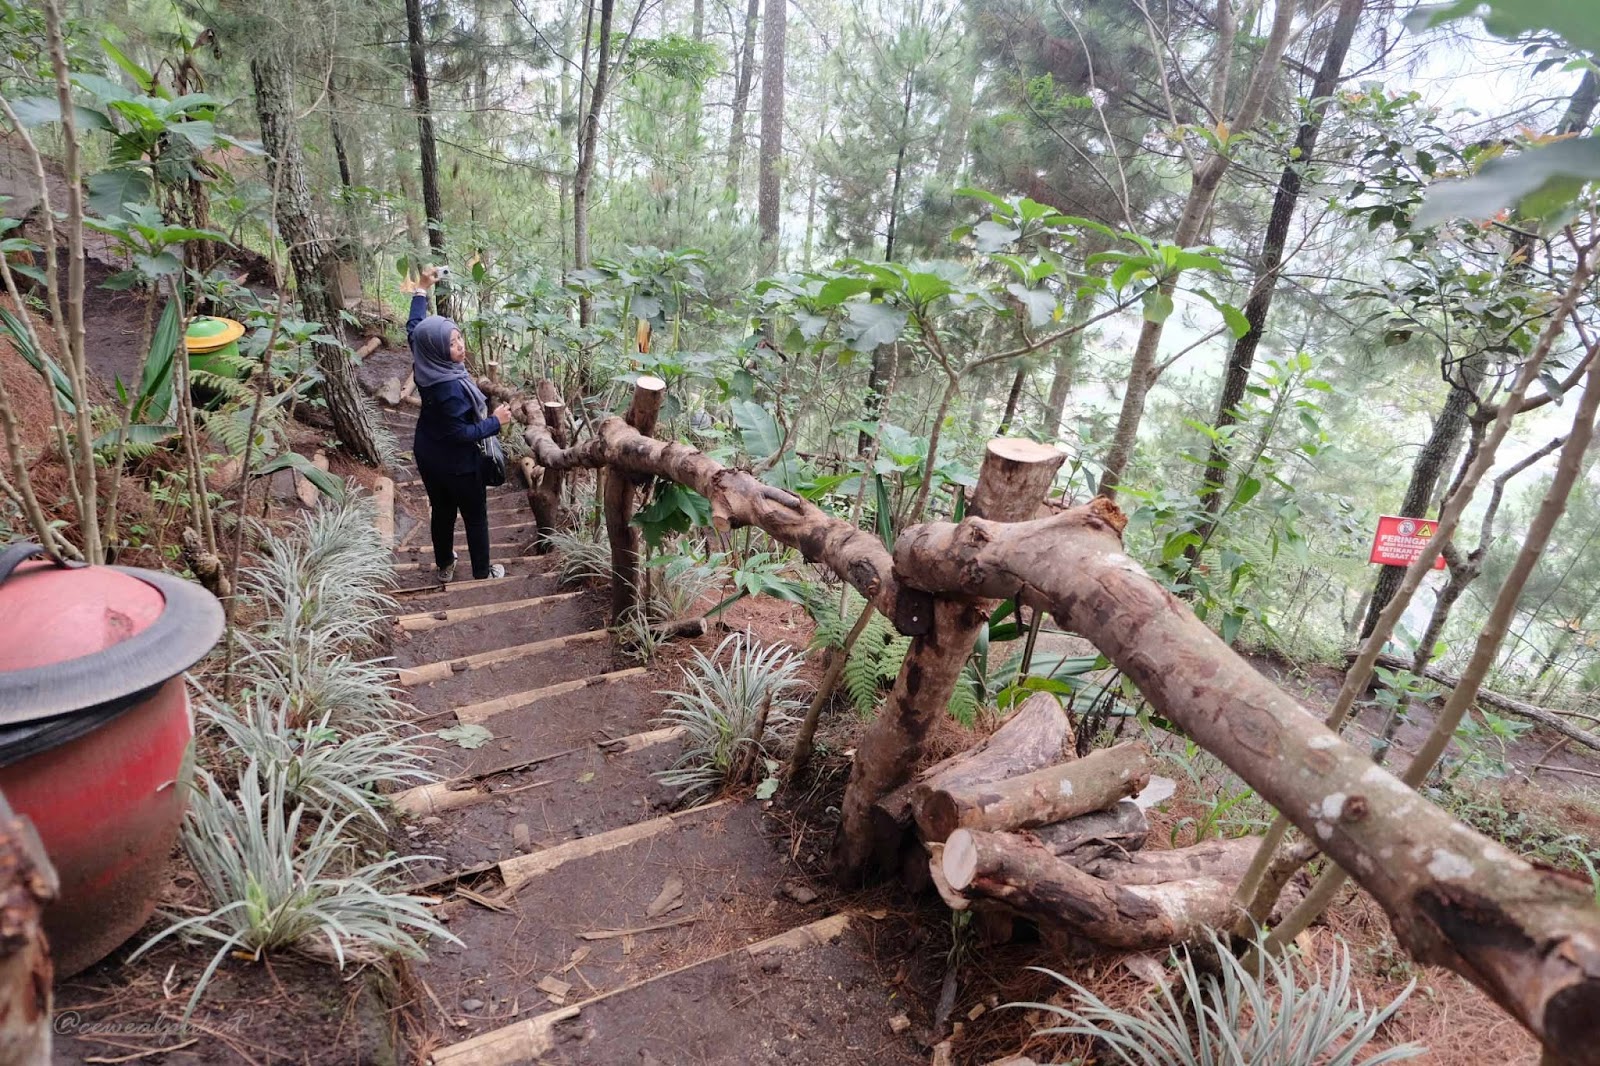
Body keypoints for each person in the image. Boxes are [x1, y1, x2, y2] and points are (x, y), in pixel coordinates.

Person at [407, 267, 512, 582]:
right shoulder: (450, 389)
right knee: (475, 517)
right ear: (439, 348)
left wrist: (422, 289)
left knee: (441, 512)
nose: (460, 346)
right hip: (457, 464)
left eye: (459, 338)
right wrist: (495, 422)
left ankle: (444, 566)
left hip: (427, 451)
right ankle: (482, 572)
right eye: (453, 344)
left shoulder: (425, 358)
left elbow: (414, 327)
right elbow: (460, 434)